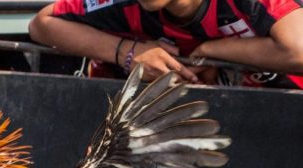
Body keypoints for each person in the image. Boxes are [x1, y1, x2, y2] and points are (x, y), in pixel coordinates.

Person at [29, 0, 303, 87]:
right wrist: (129, 52)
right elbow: (42, 25)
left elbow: (298, 50)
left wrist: (210, 51)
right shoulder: (125, 4)